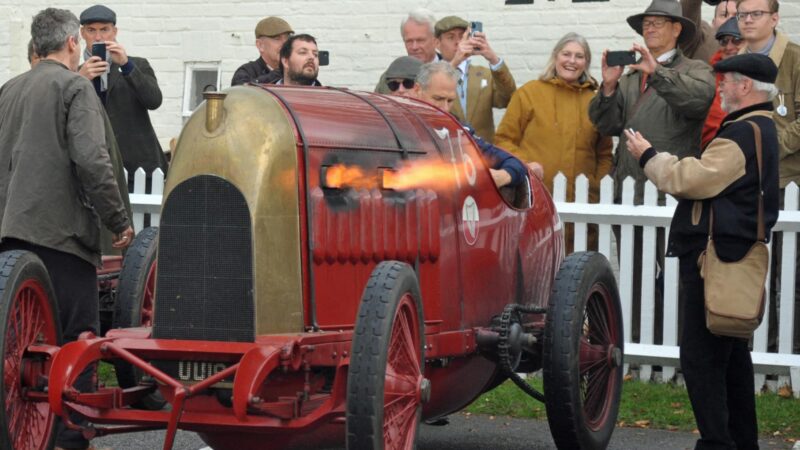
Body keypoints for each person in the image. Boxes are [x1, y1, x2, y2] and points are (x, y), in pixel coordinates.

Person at [625, 52, 779, 450]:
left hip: (715, 259)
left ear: (745, 86)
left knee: (702, 359)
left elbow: (690, 180)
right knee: (730, 359)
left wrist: (648, 156)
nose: (721, 88)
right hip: (734, 256)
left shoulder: (741, 134)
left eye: (726, 81)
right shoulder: (761, 127)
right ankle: (741, 442)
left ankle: (717, 443)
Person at [0, 8, 133, 450]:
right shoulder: (75, 86)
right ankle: (71, 441)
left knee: (18, 350)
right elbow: (93, 162)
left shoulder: (9, 89)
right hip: (61, 238)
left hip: (10, 238)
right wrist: (118, 221)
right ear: (73, 42)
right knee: (77, 345)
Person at [589, 0, 715, 343]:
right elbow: (606, 124)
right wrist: (609, 87)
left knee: (676, 275)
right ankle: (640, 344)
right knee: (634, 275)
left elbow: (698, 101)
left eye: (659, 22)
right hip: (629, 192)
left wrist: (655, 73)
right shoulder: (630, 78)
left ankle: (679, 344)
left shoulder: (695, 70)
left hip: (672, 194)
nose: (651, 28)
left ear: (677, 29)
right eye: (647, 23)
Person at [495, 32, 612, 253]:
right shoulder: (529, 93)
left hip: (582, 207)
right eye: (566, 54)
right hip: (536, 203)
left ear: (586, 62)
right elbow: (504, 139)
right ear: (555, 56)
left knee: (576, 276)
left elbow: (605, 153)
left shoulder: (594, 101)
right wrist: (526, 167)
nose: (572, 61)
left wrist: (596, 186)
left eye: (579, 56)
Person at [736, 0, 800, 352]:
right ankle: (760, 346)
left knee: (789, 275)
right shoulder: (735, 61)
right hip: (747, 183)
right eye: (743, 14)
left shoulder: (794, 58)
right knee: (754, 269)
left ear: (775, 18)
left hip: (788, 182)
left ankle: (789, 352)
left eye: (755, 14)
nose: (747, 20)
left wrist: (769, 148)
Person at [79, 4, 167, 190]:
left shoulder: (138, 65)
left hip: (140, 168)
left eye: (105, 30)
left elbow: (154, 101)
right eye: (91, 30)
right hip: (95, 168)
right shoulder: (75, 74)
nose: (98, 37)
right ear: (82, 33)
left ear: (115, 31)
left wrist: (127, 66)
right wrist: (81, 79)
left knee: (145, 219)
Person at [414, 61, 526, 189]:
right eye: (438, 99)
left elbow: (513, 162)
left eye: (450, 101)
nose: (444, 108)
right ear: (418, 90)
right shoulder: (396, 126)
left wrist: (501, 176)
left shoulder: (458, 131)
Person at [433, 16, 515, 143]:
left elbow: (508, 99)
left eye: (462, 37)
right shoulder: (430, 74)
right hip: (447, 151)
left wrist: (493, 59)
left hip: (483, 153)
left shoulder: (484, 74)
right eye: (451, 37)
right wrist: (455, 62)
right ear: (437, 43)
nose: (457, 42)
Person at [375, 8, 440, 95]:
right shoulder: (389, 78)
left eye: (420, 40)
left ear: (435, 39)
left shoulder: (454, 72)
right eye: (409, 41)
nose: (414, 47)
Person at [702, 17, 746, 147]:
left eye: (737, 40)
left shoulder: (761, 74)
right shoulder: (709, 76)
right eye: (724, 41)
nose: (729, 46)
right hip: (714, 148)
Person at [231, 16, 293, 86]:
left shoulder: (298, 71)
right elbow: (242, 91)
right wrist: (279, 73)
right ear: (260, 45)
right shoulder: (247, 72)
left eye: (287, 38)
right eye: (277, 38)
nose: (285, 44)